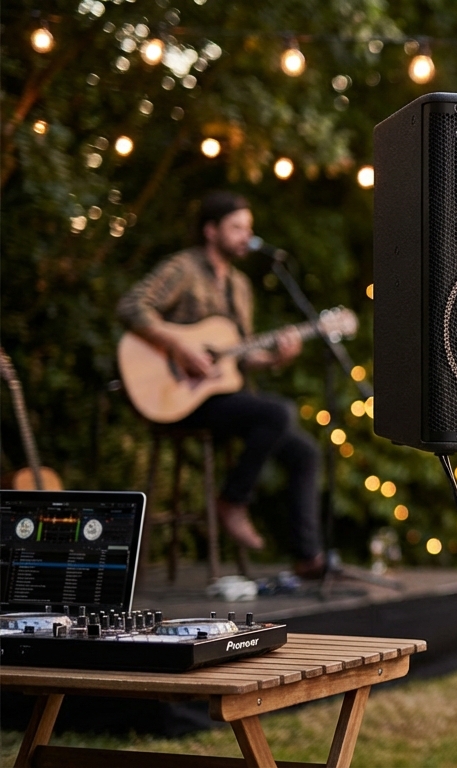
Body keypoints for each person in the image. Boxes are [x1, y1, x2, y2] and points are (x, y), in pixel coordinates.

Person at [117, 191, 325, 577]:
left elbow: (239, 355)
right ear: (210, 231)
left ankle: (307, 557)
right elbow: (131, 306)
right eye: (236, 228)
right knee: (278, 412)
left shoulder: (241, 286)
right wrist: (179, 347)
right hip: (176, 396)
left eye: (249, 228)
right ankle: (232, 500)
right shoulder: (182, 268)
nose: (246, 235)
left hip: (221, 396)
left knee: (306, 452)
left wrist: (277, 357)